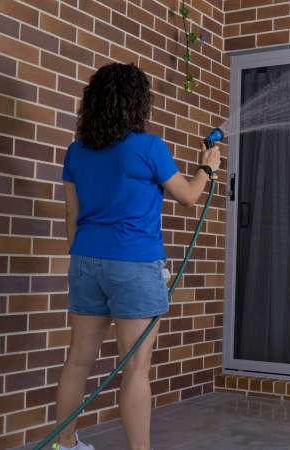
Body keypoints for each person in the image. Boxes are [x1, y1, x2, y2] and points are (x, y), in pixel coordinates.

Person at [52, 63, 221, 450]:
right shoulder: (148, 147)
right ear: (137, 104)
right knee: (136, 369)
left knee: (78, 360)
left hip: (85, 261)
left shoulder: (76, 152)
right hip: (134, 264)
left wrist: (86, 256)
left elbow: (70, 216)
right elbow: (190, 195)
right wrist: (207, 169)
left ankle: (65, 445)